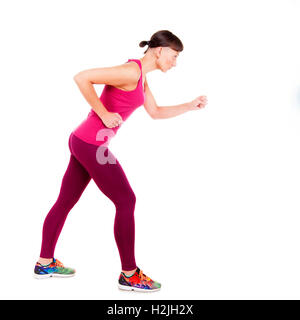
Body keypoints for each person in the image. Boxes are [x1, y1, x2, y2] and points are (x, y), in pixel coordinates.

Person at [33, 30, 208, 292]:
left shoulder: (142, 79)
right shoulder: (131, 72)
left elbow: (156, 112)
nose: (175, 62)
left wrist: (189, 105)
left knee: (66, 201)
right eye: (174, 56)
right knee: (126, 200)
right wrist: (103, 114)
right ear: (159, 51)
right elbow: (82, 77)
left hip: (84, 141)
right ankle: (129, 274)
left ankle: (44, 263)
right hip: (91, 145)